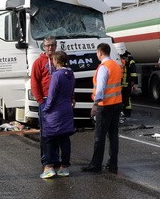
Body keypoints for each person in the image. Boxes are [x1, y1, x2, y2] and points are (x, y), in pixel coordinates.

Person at [82, 42, 123, 174]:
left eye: (96, 52)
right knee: (113, 136)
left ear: (99, 52)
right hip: (117, 104)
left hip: (105, 106)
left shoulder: (103, 68)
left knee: (99, 136)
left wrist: (95, 105)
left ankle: (96, 164)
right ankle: (113, 164)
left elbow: (100, 89)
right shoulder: (116, 66)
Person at [38, 50, 76, 178]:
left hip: (55, 110)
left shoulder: (56, 75)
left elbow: (52, 94)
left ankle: (48, 167)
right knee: (64, 138)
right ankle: (64, 167)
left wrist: (46, 108)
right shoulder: (70, 74)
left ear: (56, 61)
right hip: (67, 109)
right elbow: (71, 92)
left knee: (48, 137)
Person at [30, 36, 58, 170]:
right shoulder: (38, 62)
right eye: (47, 46)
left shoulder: (60, 61)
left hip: (59, 101)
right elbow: (34, 83)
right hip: (45, 100)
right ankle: (46, 161)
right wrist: (40, 101)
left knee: (58, 132)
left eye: (52, 45)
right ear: (43, 47)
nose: (50, 48)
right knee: (46, 133)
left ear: (56, 46)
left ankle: (56, 159)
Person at [115, 42, 137, 124]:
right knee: (122, 98)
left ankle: (127, 112)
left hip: (126, 82)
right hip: (120, 83)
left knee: (126, 98)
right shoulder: (118, 58)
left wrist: (132, 81)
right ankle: (123, 112)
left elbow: (133, 70)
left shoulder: (129, 59)